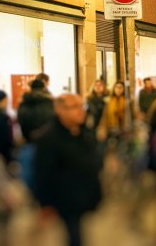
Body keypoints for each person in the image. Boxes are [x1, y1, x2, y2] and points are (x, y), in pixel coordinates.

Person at [32, 94, 102, 246]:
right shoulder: (48, 138)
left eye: (81, 106)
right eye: (74, 107)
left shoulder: (85, 133)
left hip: (84, 197)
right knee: (72, 237)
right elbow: (42, 172)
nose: (81, 111)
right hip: (64, 200)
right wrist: (45, 203)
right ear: (59, 110)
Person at [17, 78, 54, 142]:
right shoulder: (50, 102)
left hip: (29, 137)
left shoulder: (24, 102)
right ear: (43, 88)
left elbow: (20, 119)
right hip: (47, 138)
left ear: (31, 88)